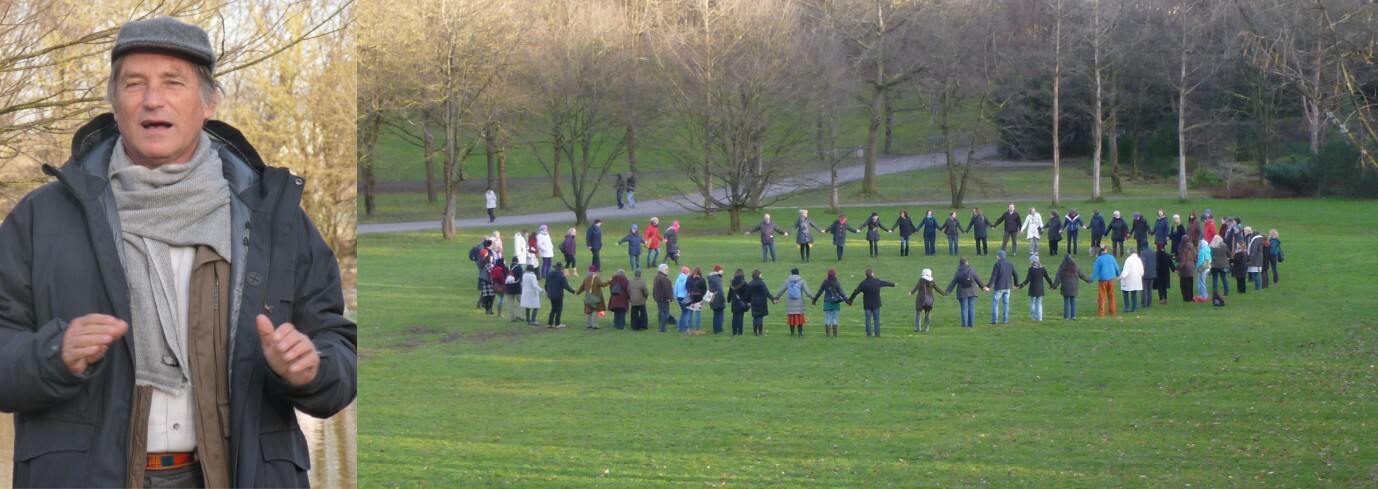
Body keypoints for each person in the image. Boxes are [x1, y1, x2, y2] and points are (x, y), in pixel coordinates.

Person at [0, 18, 358, 488]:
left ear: (209, 103)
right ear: (115, 102)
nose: (153, 99)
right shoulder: (40, 219)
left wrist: (311, 368)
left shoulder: (274, 219)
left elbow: (338, 351)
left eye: (173, 82)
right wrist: (53, 352)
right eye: (134, 84)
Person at [848, 268, 896, 337]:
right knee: (876, 319)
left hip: (867, 304)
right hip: (876, 304)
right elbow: (885, 283)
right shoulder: (877, 281)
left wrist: (850, 300)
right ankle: (877, 333)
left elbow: (855, 292)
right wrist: (893, 284)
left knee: (868, 320)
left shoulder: (863, 283)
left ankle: (869, 334)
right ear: (872, 274)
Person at [945, 258, 989, 327]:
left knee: (964, 309)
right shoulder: (971, 270)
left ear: (960, 264)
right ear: (967, 263)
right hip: (972, 291)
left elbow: (953, 283)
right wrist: (984, 287)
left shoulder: (958, 272)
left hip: (962, 293)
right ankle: (971, 324)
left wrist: (947, 291)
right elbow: (978, 279)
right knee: (971, 308)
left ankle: (964, 324)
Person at [774, 268, 813, 337]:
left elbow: (781, 291)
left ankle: (792, 333)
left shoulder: (787, 281)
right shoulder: (801, 281)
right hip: (799, 302)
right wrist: (813, 298)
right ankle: (800, 333)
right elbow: (807, 292)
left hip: (790, 302)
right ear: (798, 273)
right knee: (799, 318)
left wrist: (776, 298)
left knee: (791, 318)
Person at [1051, 254, 1092, 320]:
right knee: (1073, 301)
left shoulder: (1062, 267)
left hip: (1065, 287)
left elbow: (1058, 278)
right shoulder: (1075, 266)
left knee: (1066, 302)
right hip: (1074, 287)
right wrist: (1088, 280)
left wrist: (1054, 286)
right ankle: (1073, 316)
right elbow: (1082, 275)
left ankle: (1066, 317)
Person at [811, 269, 847, 338]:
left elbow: (820, 292)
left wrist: (814, 300)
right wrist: (847, 301)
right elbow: (841, 293)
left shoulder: (825, 282)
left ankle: (827, 334)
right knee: (835, 318)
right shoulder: (837, 282)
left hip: (827, 302)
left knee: (827, 318)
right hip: (835, 302)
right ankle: (835, 334)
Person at [987, 250, 1019, 324]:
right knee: (1006, 303)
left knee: (995, 303)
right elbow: (1015, 274)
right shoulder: (1010, 264)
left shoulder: (997, 264)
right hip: (1008, 286)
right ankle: (1005, 320)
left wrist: (989, 286)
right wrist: (1016, 284)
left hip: (999, 287)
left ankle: (995, 320)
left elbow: (993, 277)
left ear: (998, 256)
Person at [1018, 255, 1053, 321]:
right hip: (1040, 289)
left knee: (1032, 303)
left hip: (1033, 289)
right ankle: (1040, 318)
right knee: (1039, 303)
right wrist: (1051, 285)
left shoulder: (1031, 269)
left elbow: (1027, 280)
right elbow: (1047, 278)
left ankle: (1033, 317)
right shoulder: (1042, 269)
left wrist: (1021, 286)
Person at [1092, 245, 1122, 316]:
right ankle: (1112, 311)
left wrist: (1091, 280)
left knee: (1102, 296)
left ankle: (1101, 313)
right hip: (1111, 279)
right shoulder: (1111, 257)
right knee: (1111, 295)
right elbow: (1116, 267)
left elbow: (1096, 270)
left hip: (1102, 280)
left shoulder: (1099, 259)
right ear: (1106, 250)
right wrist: (1118, 275)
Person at [545, 263, 577, 328]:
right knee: (559, 309)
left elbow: (546, 284)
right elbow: (566, 286)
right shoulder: (561, 276)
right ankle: (557, 323)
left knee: (553, 308)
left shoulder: (549, 275)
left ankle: (550, 323)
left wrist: (547, 291)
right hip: (558, 295)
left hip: (551, 294)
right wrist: (573, 291)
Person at [746, 270, 773, 336]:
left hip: (753, 301)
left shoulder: (750, 283)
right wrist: (773, 299)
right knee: (760, 317)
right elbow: (767, 292)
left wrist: (748, 301)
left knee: (755, 316)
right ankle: (760, 332)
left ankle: (755, 331)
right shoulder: (761, 283)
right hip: (761, 301)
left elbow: (748, 294)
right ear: (759, 275)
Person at [685, 267, 708, 335]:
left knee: (690, 313)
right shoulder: (701, 279)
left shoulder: (689, 278)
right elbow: (704, 289)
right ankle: (697, 330)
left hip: (689, 297)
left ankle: (689, 329)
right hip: (698, 297)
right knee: (697, 314)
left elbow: (686, 287)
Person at [653, 264, 674, 332]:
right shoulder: (663, 278)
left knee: (661, 312)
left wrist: (654, 296)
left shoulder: (657, 277)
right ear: (662, 270)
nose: (668, 270)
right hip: (663, 299)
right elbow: (666, 289)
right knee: (664, 313)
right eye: (666, 269)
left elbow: (654, 288)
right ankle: (663, 328)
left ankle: (661, 327)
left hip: (659, 298)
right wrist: (669, 298)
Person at [729, 269, 750, 336]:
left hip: (734, 302)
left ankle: (734, 332)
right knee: (741, 316)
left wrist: (729, 299)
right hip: (742, 302)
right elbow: (747, 293)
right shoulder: (744, 282)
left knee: (734, 317)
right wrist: (748, 301)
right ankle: (740, 331)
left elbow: (730, 293)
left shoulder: (732, 282)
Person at [707, 265, 727, 334]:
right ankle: (719, 329)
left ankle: (715, 329)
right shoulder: (718, 279)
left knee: (715, 315)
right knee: (720, 314)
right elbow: (720, 290)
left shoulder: (711, 278)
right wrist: (723, 299)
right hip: (718, 298)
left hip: (712, 298)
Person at [1139, 245, 1157, 310]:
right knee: (1150, 289)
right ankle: (1149, 303)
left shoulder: (1143, 253)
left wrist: (1140, 272)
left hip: (1145, 274)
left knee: (1143, 289)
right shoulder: (1153, 252)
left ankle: (1144, 304)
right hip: (1152, 273)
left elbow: (1142, 264)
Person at [674, 266, 691, 332]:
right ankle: (684, 327)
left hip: (679, 297)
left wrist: (675, 296)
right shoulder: (687, 279)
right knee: (686, 312)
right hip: (685, 297)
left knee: (683, 312)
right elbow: (688, 289)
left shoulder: (678, 279)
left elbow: (675, 289)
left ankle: (680, 327)